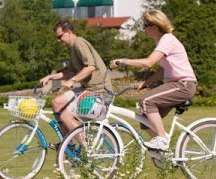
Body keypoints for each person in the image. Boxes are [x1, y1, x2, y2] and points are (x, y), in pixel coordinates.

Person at [111, 10, 197, 151]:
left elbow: (148, 63)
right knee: (145, 120)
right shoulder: (161, 42)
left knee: (145, 100)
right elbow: (163, 69)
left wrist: (123, 61)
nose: (143, 29)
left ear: (154, 26)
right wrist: (145, 84)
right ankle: (167, 152)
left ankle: (162, 139)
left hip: (184, 85)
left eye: (145, 26)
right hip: (175, 85)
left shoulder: (167, 40)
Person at [40, 20, 112, 135]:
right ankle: (68, 145)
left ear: (68, 32)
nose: (58, 40)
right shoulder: (72, 47)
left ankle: (86, 149)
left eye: (59, 37)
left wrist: (72, 81)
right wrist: (50, 77)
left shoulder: (79, 43)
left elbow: (90, 67)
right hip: (87, 89)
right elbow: (71, 72)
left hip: (99, 90)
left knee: (66, 116)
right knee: (56, 103)